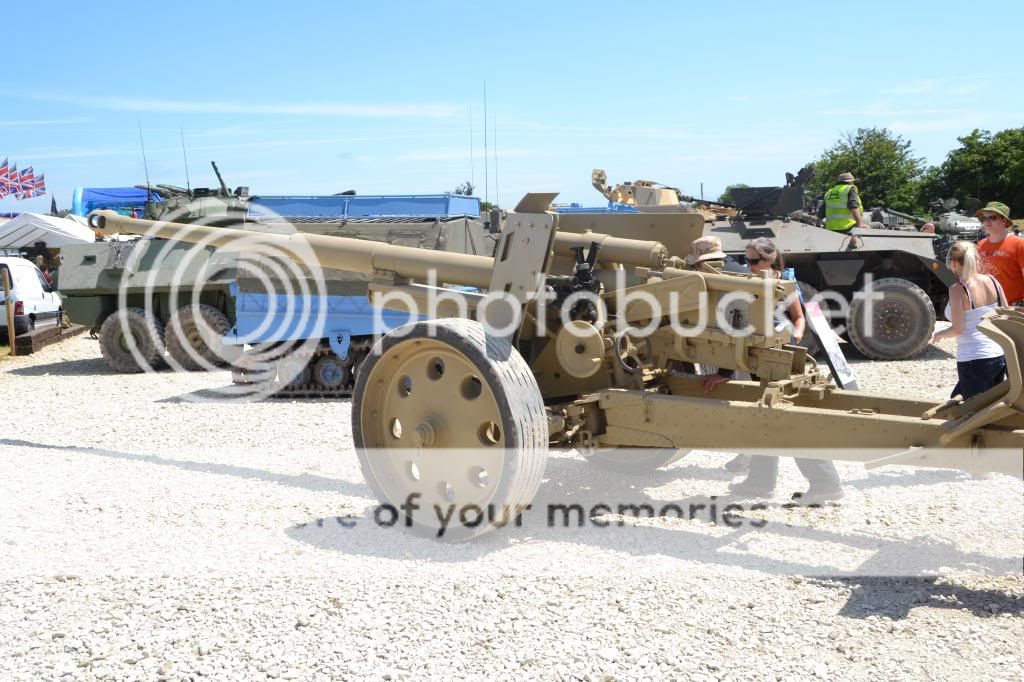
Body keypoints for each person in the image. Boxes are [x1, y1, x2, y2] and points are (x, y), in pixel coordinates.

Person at [703, 238, 843, 504]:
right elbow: (741, 332)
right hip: (764, 359)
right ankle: (761, 483)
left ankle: (825, 483)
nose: (749, 266)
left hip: (778, 358)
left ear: (771, 260)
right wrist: (725, 372)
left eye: (754, 261)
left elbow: (795, 317)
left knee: (786, 421)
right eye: (747, 261)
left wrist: (797, 335)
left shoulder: (781, 286)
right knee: (765, 419)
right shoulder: (749, 285)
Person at [931, 241, 1007, 399]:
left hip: (973, 357)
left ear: (953, 263)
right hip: (998, 355)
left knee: (971, 411)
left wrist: (940, 334)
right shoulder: (993, 281)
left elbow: (958, 329)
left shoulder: (958, 289)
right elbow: (1005, 315)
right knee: (989, 406)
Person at [975, 201, 1024, 306]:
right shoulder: (980, 245)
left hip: (1014, 308)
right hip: (987, 307)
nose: (987, 222)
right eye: (984, 218)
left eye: (992, 217)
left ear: (1004, 220)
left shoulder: (1019, 244)